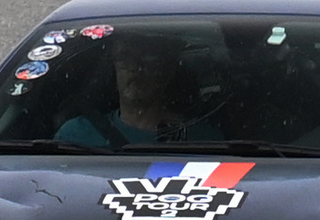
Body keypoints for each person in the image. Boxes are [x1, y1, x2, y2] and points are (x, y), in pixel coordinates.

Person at [55, 33, 220, 147]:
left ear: (168, 70)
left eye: (148, 58)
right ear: (114, 68)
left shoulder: (202, 138)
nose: (136, 67)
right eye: (125, 58)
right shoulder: (75, 134)